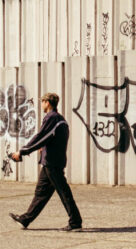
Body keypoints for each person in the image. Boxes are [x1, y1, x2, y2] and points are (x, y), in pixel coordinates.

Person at [8, 92, 83, 231]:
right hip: (50, 161)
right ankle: (25, 219)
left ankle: (75, 222)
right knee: (41, 193)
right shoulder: (60, 119)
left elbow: (41, 136)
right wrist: (44, 147)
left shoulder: (52, 118)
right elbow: (51, 138)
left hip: (52, 163)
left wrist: (22, 151)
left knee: (63, 192)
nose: (41, 104)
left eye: (42, 101)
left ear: (47, 103)